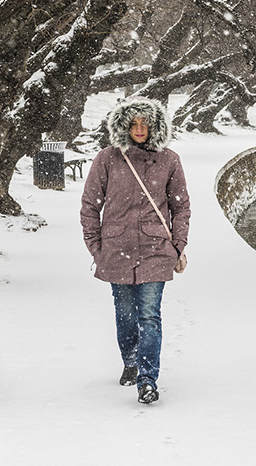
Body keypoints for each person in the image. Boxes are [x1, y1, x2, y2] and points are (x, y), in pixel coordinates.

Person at [81, 96, 190, 404]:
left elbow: (181, 207)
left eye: (145, 123)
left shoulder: (169, 160)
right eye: (134, 123)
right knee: (126, 315)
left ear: (155, 126)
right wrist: (96, 248)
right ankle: (130, 360)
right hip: (116, 250)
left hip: (156, 251)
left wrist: (177, 245)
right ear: (124, 126)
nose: (140, 129)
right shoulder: (107, 159)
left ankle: (147, 379)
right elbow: (90, 205)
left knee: (150, 317)